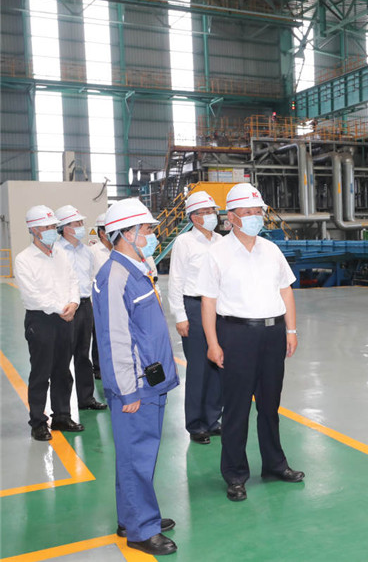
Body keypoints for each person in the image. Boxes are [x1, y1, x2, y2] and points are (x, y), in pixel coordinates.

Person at [196, 183, 303, 502]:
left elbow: (285, 290)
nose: (256, 217)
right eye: (248, 212)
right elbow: (208, 301)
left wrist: (291, 330)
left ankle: (274, 464)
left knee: (270, 405)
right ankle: (235, 474)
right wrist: (213, 343)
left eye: (258, 211)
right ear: (231, 217)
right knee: (237, 408)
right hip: (236, 334)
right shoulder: (217, 253)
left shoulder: (271, 250)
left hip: (272, 334)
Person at [92, 198, 180, 556]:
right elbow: (114, 338)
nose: (151, 235)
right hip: (136, 386)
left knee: (137, 454)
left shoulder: (137, 268)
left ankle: (133, 516)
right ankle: (141, 529)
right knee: (137, 456)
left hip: (151, 380)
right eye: (146, 230)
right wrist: (127, 391)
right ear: (126, 233)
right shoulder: (115, 276)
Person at [14, 205, 84, 441]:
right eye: (47, 227)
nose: (52, 230)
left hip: (66, 317)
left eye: (54, 226)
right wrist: (62, 308)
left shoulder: (60, 254)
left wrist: (73, 303)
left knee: (63, 371)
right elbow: (31, 295)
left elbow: (73, 280)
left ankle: (62, 416)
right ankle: (38, 422)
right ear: (33, 230)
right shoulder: (24, 259)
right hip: (41, 321)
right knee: (41, 373)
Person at [168, 191, 223, 444]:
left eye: (213, 211)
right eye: (206, 212)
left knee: (218, 365)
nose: (212, 215)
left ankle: (212, 419)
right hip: (195, 306)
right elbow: (176, 280)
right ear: (194, 217)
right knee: (199, 368)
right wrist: (180, 315)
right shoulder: (184, 242)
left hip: (220, 307)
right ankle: (196, 424)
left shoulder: (221, 241)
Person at [53, 205, 107, 411]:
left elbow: (91, 277)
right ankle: (62, 409)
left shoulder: (87, 252)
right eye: (77, 223)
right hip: (65, 308)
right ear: (65, 227)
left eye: (81, 223)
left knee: (83, 355)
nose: (81, 226)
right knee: (62, 357)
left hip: (84, 306)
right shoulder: (56, 251)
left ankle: (86, 399)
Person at [88, 213, 112, 380]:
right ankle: (98, 368)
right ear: (102, 233)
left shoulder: (119, 249)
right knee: (99, 335)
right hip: (99, 301)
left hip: (118, 299)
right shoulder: (93, 252)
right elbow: (89, 277)